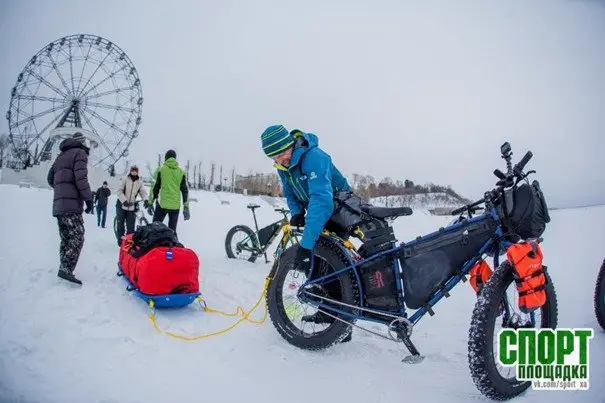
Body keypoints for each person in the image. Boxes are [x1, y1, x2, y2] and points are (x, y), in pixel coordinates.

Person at [261, 124, 353, 339]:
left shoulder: (315, 157)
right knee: (316, 265)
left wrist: (306, 245)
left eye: (281, 154)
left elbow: (322, 200)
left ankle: (343, 323)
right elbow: (289, 191)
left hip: (337, 208)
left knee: (334, 265)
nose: (279, 160)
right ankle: (326, 312)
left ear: (290, 145)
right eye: (273, 157)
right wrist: (296, 212)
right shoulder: (283, 165)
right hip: (314, 209)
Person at [46, 132, 94, 285]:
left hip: (59, 205)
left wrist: (61, 189)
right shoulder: (80, 153)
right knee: (78, 236)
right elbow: (81, 179)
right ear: (82, 143)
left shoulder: (60, 157)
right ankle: (66, 268)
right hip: (72, 205)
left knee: (66, 238)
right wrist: (89, 199)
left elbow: (50, 178)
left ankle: (64, 267)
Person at [145, 149, 190, 235]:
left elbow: (154, 188)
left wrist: (150, 203)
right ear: (175, 158)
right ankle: (172, 247)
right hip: (175, 206)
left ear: (166, 158)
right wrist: (186, 207)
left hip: (162, 204)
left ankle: (156, 246)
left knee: (155, 229)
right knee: (172, 231)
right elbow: (185, 191)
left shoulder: (161, 169)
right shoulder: (181, 172)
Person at [115, 166, 148, 245]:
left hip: (131, 207)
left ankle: (129, 243)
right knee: (120, 225)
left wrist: (146, 200)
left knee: (131, 227)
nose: (134, 172)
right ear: (130, 171)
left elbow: (143, 192)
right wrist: (124, 200)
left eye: (135, 171)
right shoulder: (125, 179)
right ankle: (120, 243)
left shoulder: (139, 182)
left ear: (137, 172)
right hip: (121, 205)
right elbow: (119, 191)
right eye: (132, 171)